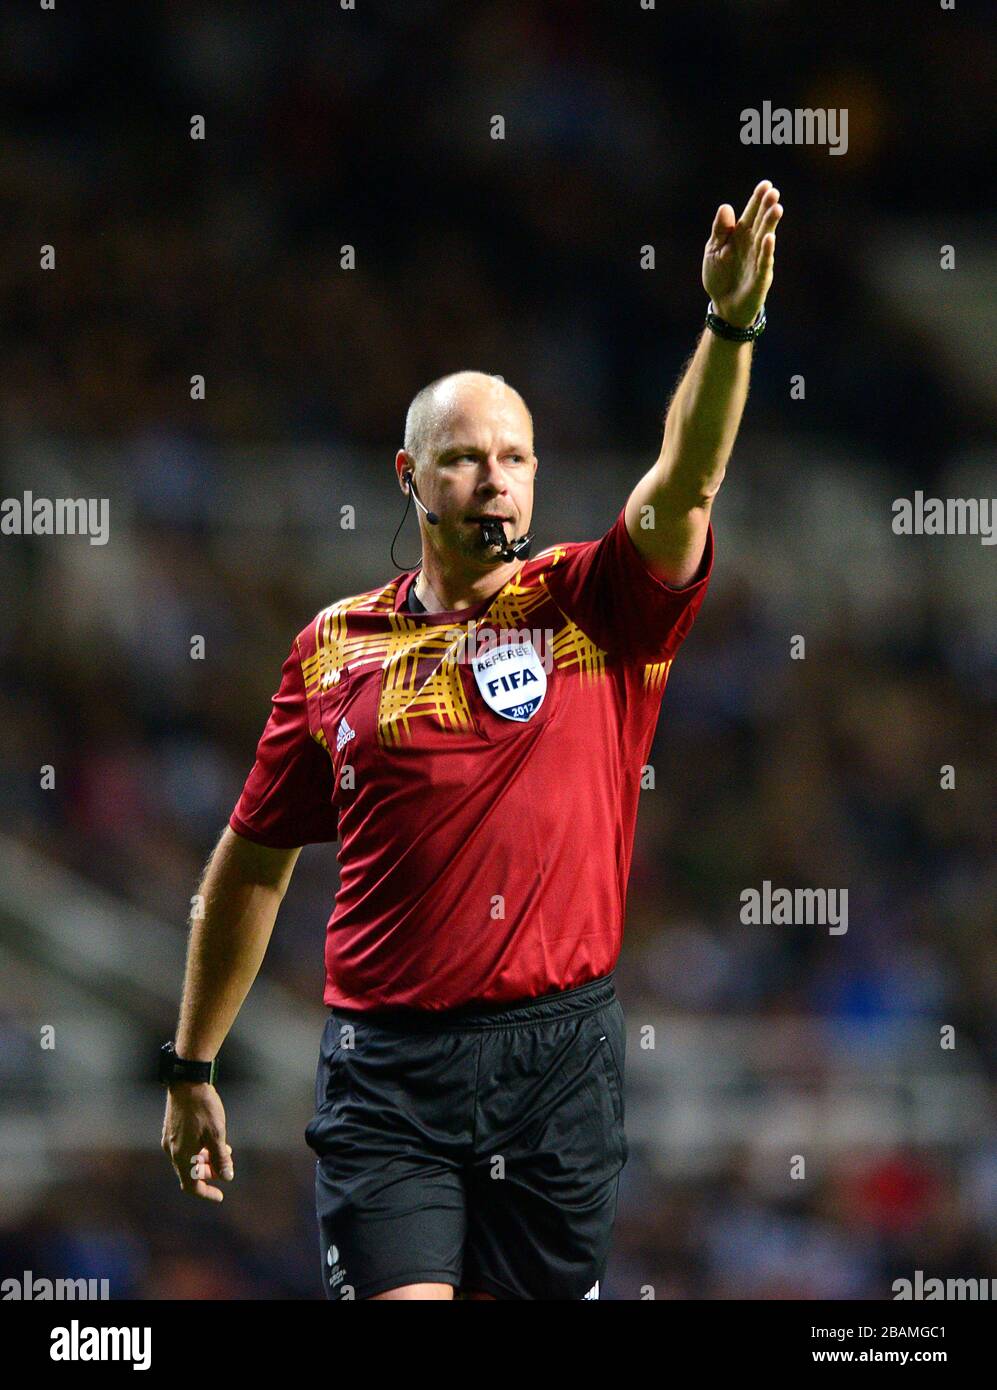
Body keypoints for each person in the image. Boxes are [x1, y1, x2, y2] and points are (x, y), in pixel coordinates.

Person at [160, 180, 784, 1300]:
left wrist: (728, 324)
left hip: (558, 1065)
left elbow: (687, 474)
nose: (494, 474)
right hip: (387, 1071)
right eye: (464, 457)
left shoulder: (595, 605)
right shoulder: (332, 648)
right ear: (409, 477)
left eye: (515, 456)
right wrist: (192, 1060)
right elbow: (254, 859)